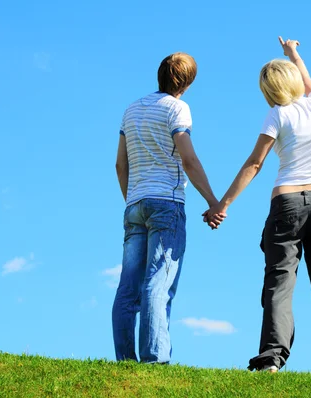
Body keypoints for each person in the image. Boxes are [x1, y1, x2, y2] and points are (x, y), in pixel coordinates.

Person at [204, 37, 311, 372]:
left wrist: (223, 204)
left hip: (286, 202)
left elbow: (254, 164)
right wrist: (293, 54)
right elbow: (306, 78)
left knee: (279, 283)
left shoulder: (276, 115)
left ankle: (271, 359)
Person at [114, 52, 222, 363]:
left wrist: (132, 199)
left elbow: (121, 165)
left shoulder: (131, 110)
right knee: (157, 284)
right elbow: (188, 159)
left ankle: (125, 360)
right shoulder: (177, 108)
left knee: (127, 287)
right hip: (166, 204)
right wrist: (213, 201)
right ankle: (154, 360)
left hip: (134, 204)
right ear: (187, 83)